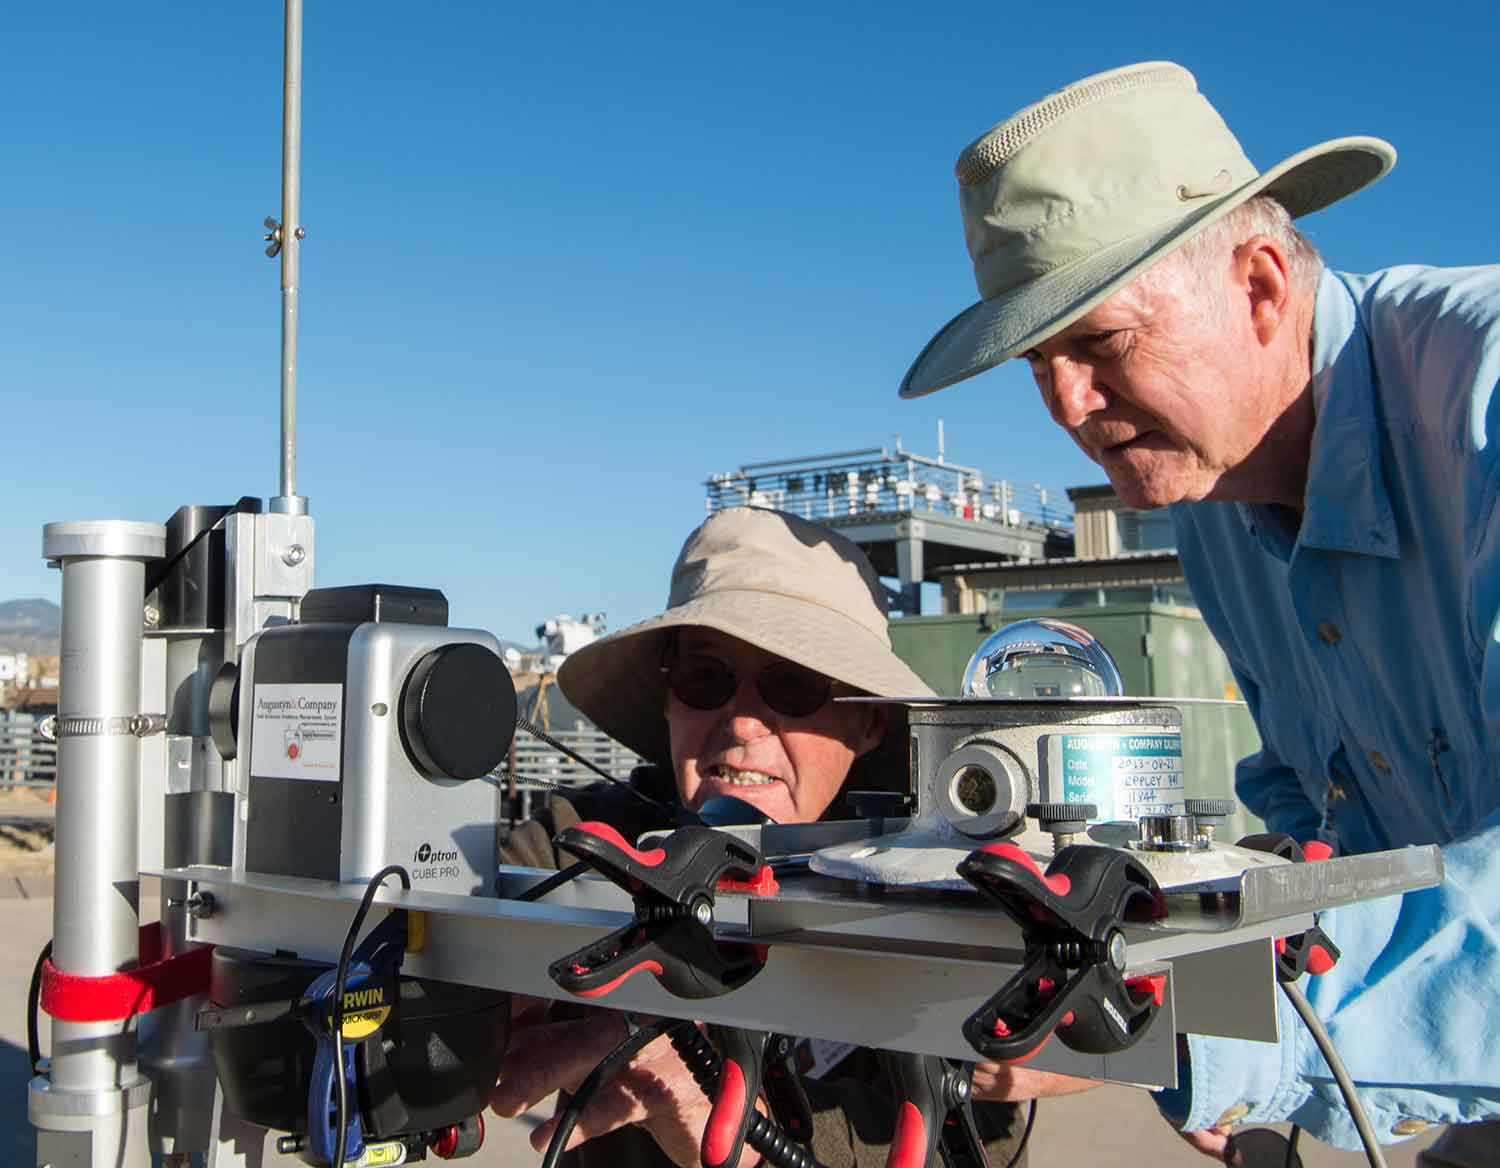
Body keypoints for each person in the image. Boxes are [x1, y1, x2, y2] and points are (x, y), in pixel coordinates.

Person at [898, 60, 1500, 1162]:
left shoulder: (1484, 400)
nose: (1069, 408)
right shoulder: (1215, 496)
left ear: (1263, 284)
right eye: (1041, 360)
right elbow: (1321, 795)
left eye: (1100, 343)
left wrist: (1197, 1020)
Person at [490, 506, 1031, 1168]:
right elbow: (451, 895)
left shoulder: (957, 888)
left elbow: (971, 1136)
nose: (742, 724)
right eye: (705, 678)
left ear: (870, 725)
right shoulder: (587, 841)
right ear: (668, 698)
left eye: (794, 684)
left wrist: (735, 1127)